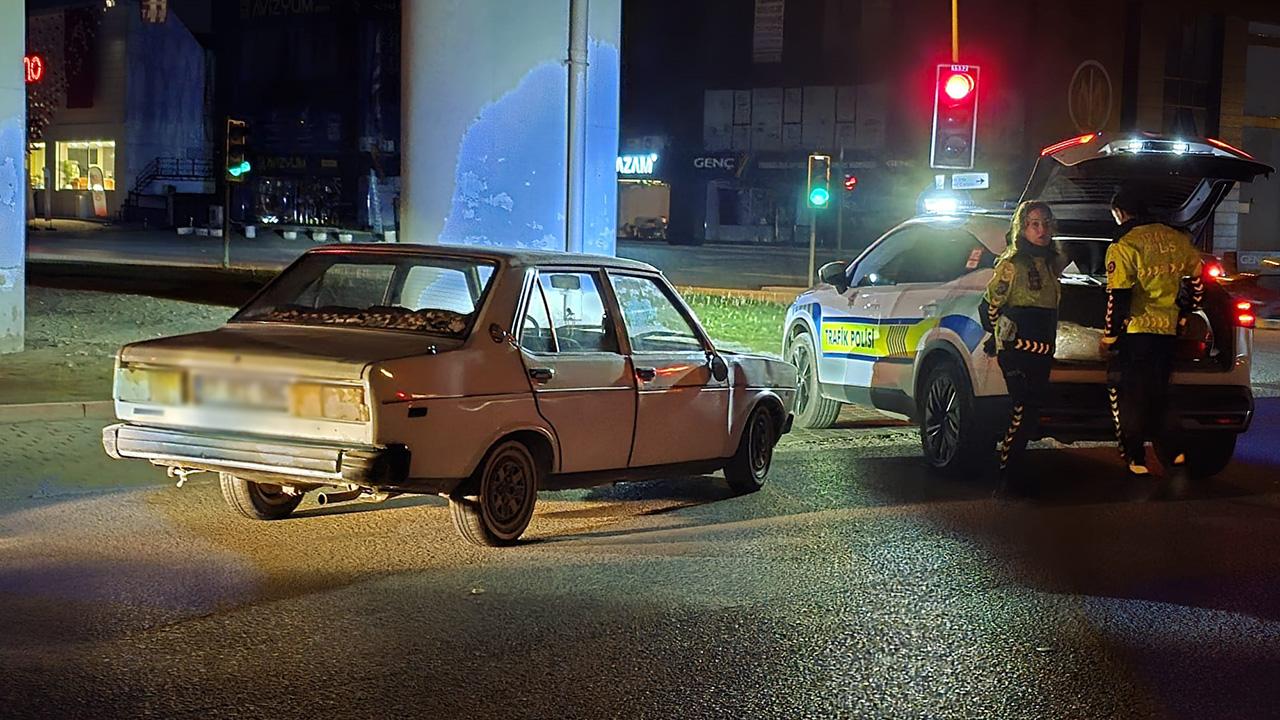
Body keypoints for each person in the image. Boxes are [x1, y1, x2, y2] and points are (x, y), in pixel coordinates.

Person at [1101, 183, 1204, 477]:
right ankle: (1175, 451)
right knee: (1160, 392)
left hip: (1137, 333)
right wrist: (1184, 315)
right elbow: (1196, 284)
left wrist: (1109, 336)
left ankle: (1136, 458)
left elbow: (1118, 297)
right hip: (1167, 333)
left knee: (1133, 396)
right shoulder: (1177, 239)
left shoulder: (1124, 245)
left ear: (1120, 212)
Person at [980, 201, 1062, 480]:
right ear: (1022, 228)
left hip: (1044, 347)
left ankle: (1013, 464)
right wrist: (1001, 337)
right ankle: (1009, 468)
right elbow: (989, 306)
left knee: (1032, 408)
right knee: (1023, 406)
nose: (1042, 230)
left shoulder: (1050, 264)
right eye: (1034, 224)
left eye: (1046, 223)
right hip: (1018, 348)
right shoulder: (1012, 265)